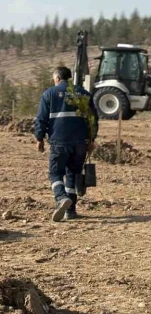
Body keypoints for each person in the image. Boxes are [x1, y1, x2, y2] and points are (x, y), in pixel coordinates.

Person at [34, 66, 99, 222]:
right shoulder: (84, 94)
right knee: (73, 173)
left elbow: (41, 119)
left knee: (55, 173)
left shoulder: (49, 93)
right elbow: (93, 120)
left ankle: (61, 197)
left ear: (57, 78)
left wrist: (39, 138)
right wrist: (91, 139)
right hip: (80, 142)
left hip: (59, 141)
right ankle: (70, 211)